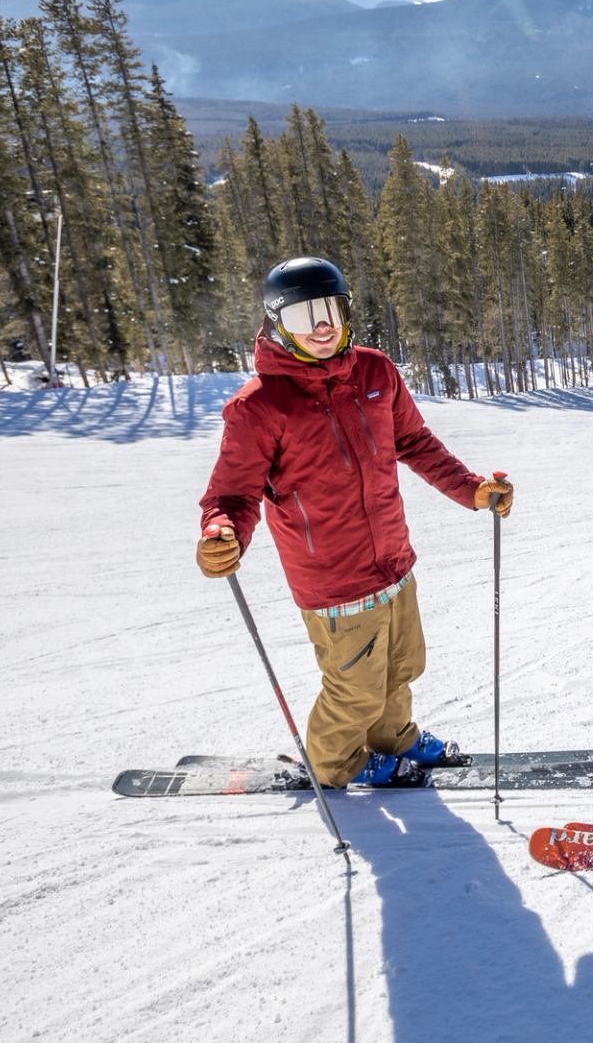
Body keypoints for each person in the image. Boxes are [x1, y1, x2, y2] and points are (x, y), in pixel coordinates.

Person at [195, 257, 513, 787]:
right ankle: (334, 763)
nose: (321, 326)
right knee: (354, 687)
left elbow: (413, 441)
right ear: (277, 323)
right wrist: (219, 534)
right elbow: (232, 494)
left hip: (391, 559)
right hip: (333, 578)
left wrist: (471, 489)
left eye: (330, 310)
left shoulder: (374, 371)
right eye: (302, 316)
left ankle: (395, 739)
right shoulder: (260, 407)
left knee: (401, 666)